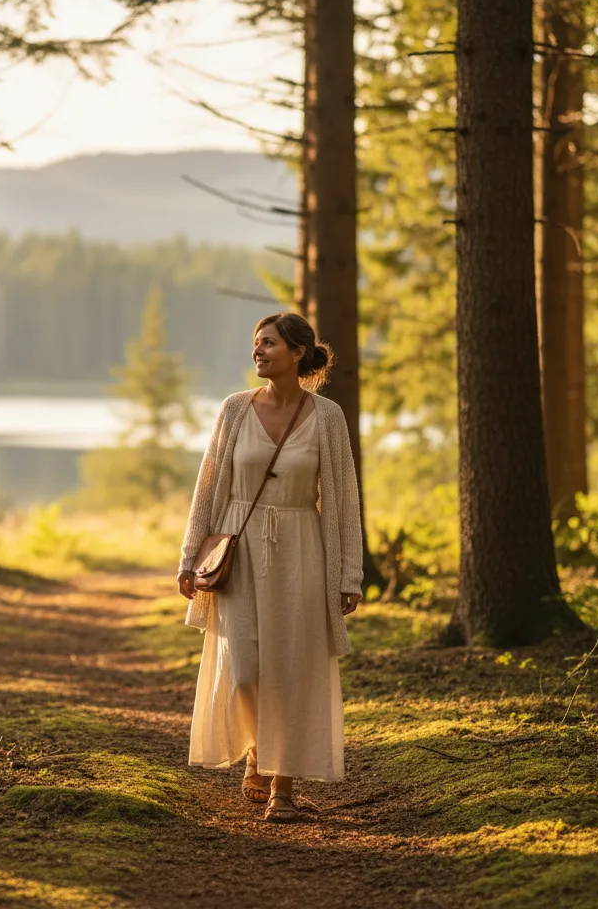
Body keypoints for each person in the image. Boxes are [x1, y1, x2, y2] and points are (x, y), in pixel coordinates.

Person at [177, 311, 363, 823]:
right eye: (255, 344)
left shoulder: (327, 417)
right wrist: (190, 558)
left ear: (297, 353)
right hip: (238, 549)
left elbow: (343, 500)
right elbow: (209, 486)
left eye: (268, 344)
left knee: (294, 668)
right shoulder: (235, 409)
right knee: (245, 670)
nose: (257, 351)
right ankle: (259, 747)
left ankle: (282, 790)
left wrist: (349, 573)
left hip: (303, 548)